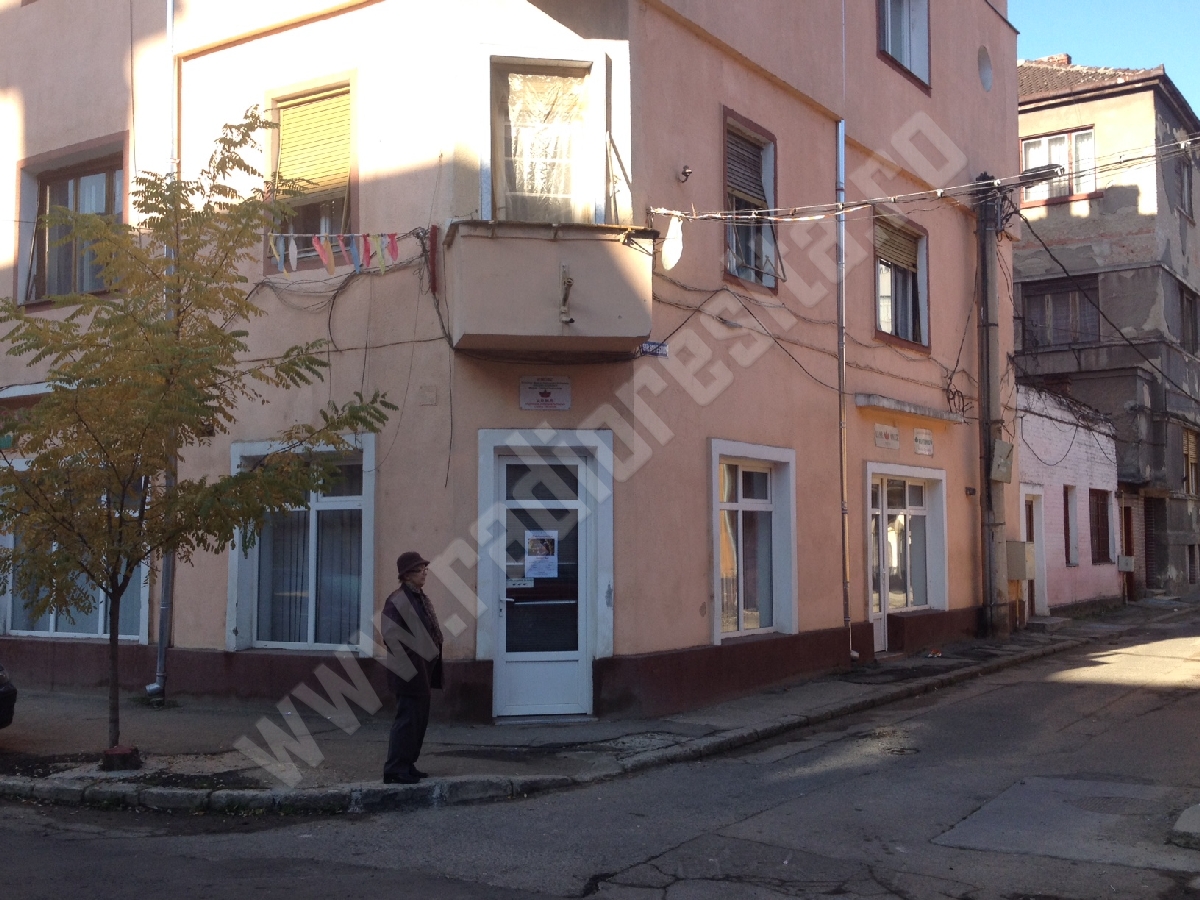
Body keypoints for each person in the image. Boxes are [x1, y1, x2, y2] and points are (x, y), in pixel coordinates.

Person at [382, 551, 444, 784]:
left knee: (418, 720)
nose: (425, 573)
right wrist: (412, 663)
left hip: (421, 671)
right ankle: (395, 769)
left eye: (425, 568)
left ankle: (407, 764)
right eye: (420, 569)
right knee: (407, 720)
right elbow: (391, 636)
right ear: (407, 575)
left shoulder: (418, 598)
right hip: (408, 673)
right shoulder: (398, 600)